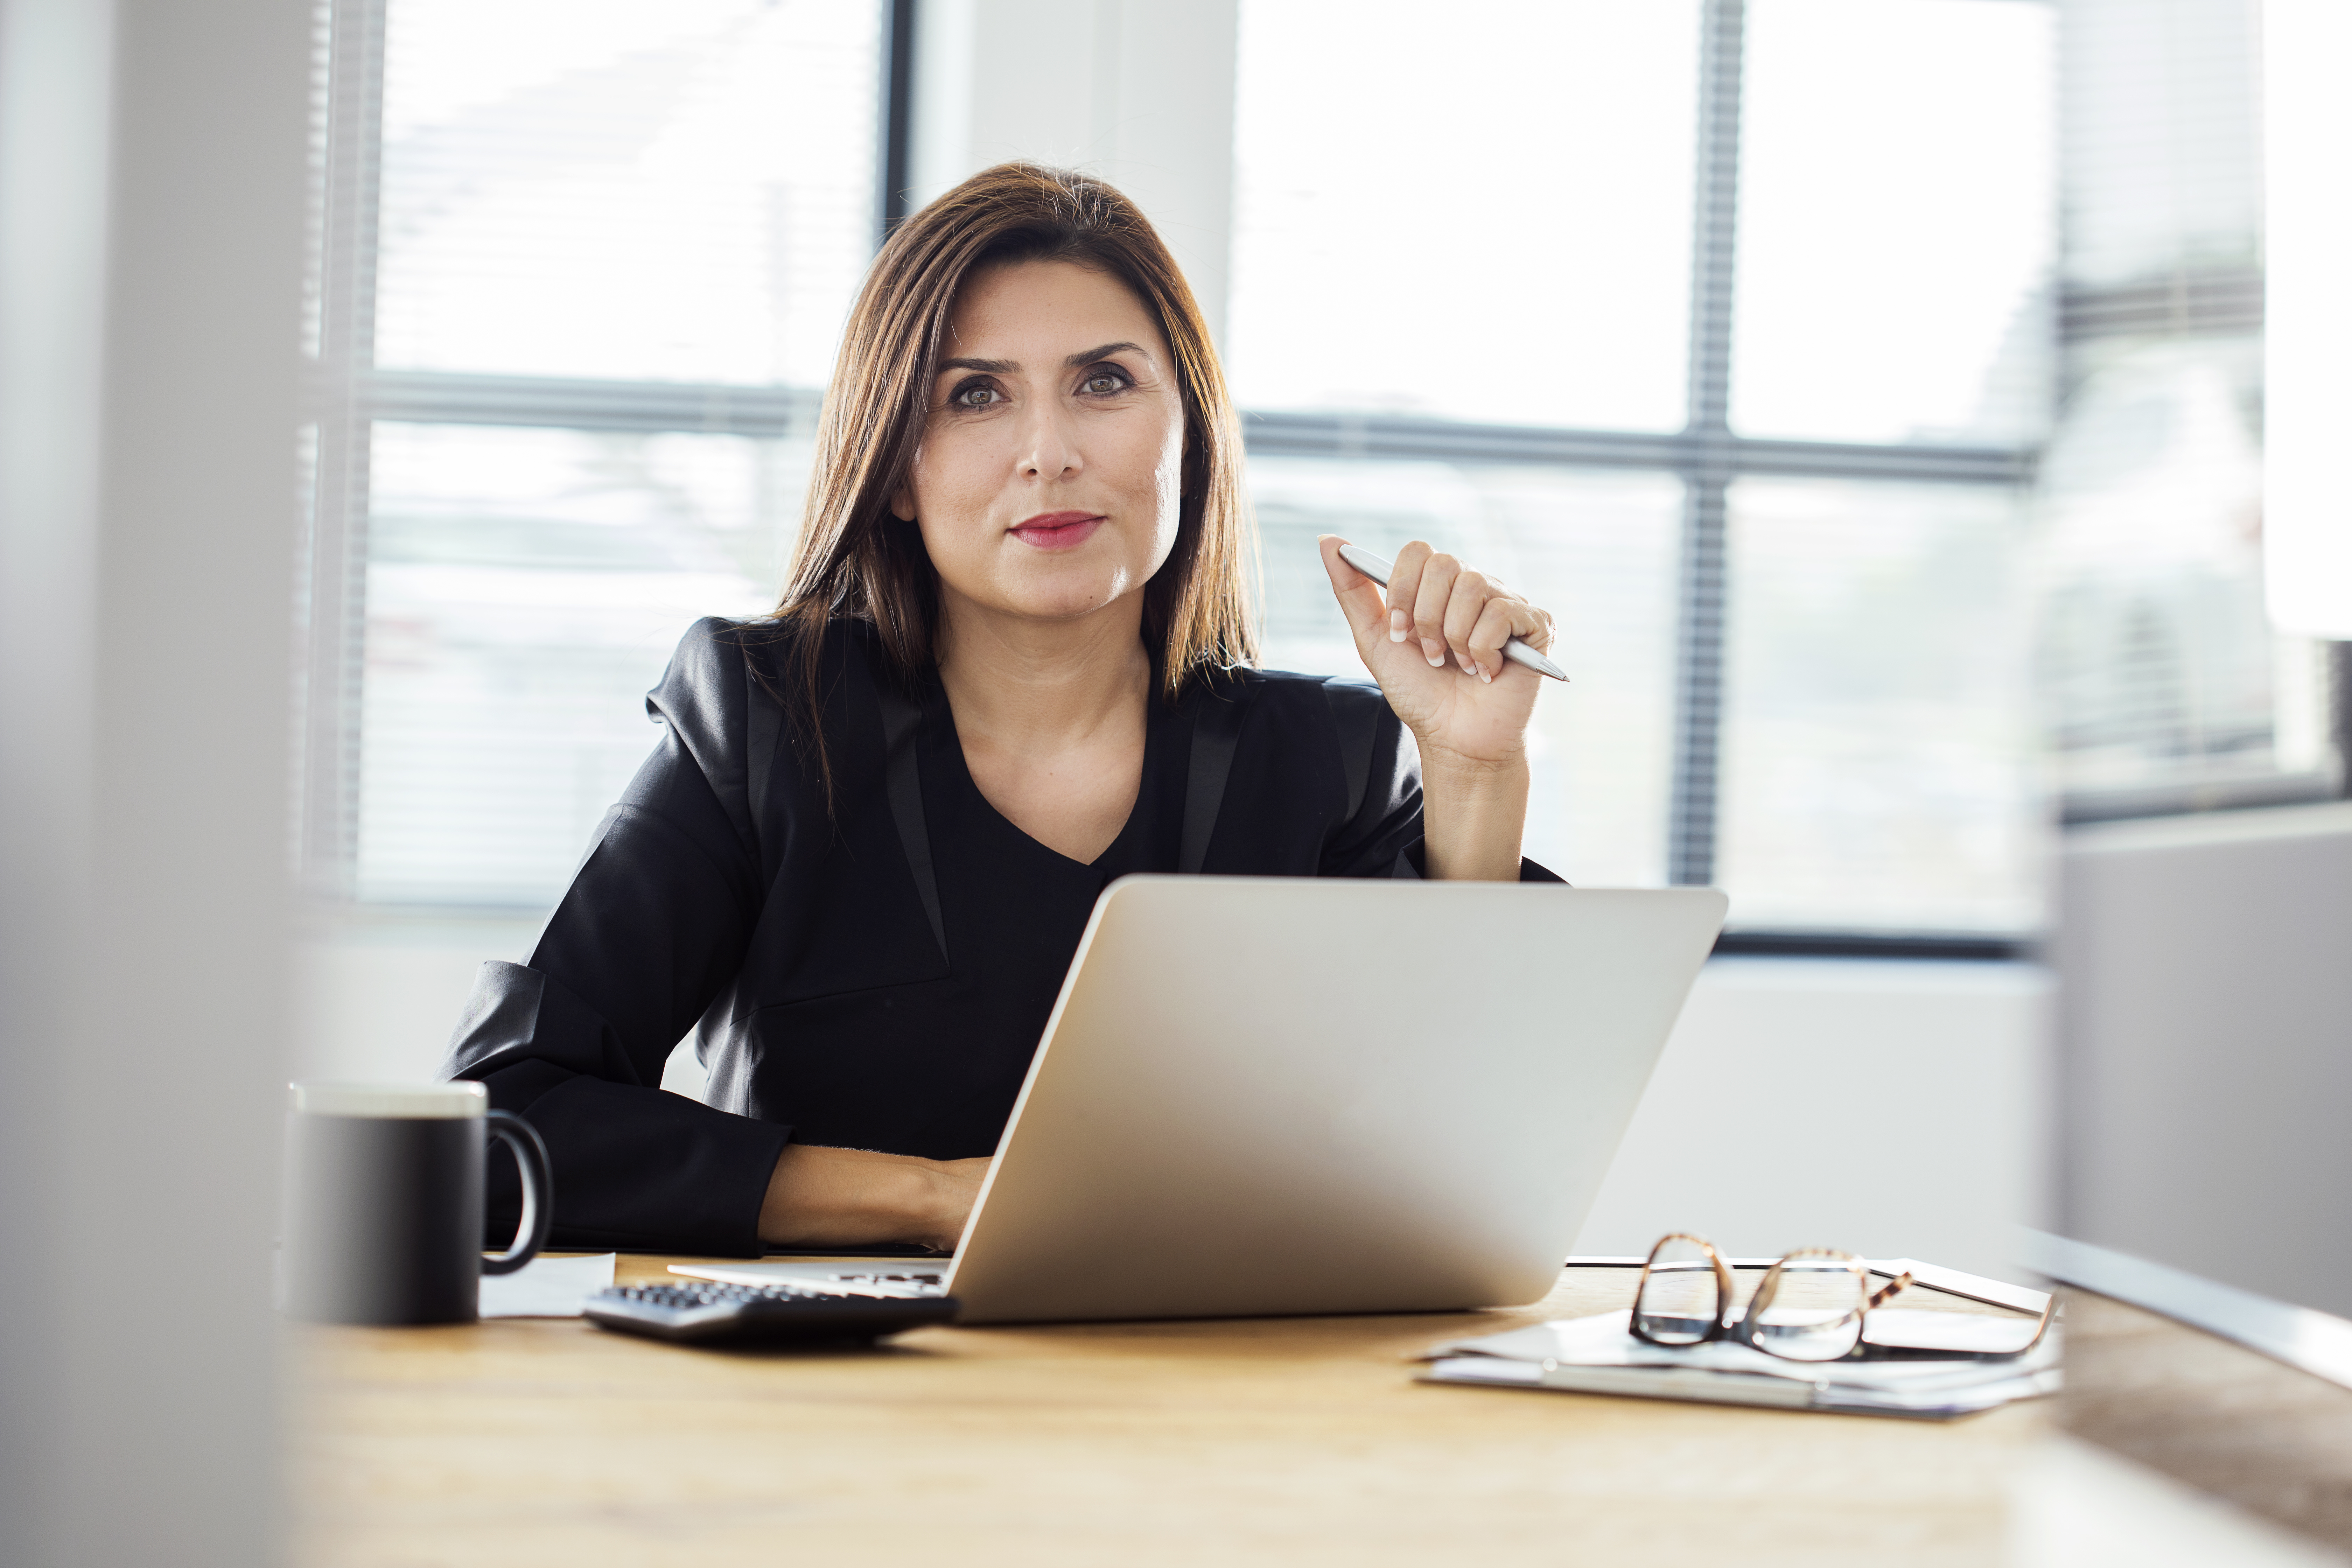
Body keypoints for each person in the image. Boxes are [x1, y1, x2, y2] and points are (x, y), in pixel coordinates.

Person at [440, 164, 1560, 1257]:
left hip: (1222, 1365)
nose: (1050, 455)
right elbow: (498, 1132)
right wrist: (943, 1199)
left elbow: (1461, 1169)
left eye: (1105, 383)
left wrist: (1474, 772)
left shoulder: (1331, 758)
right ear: (894, 469)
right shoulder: (765, 721)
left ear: (1191, 436)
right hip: (835, 1370)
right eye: (974, 395)